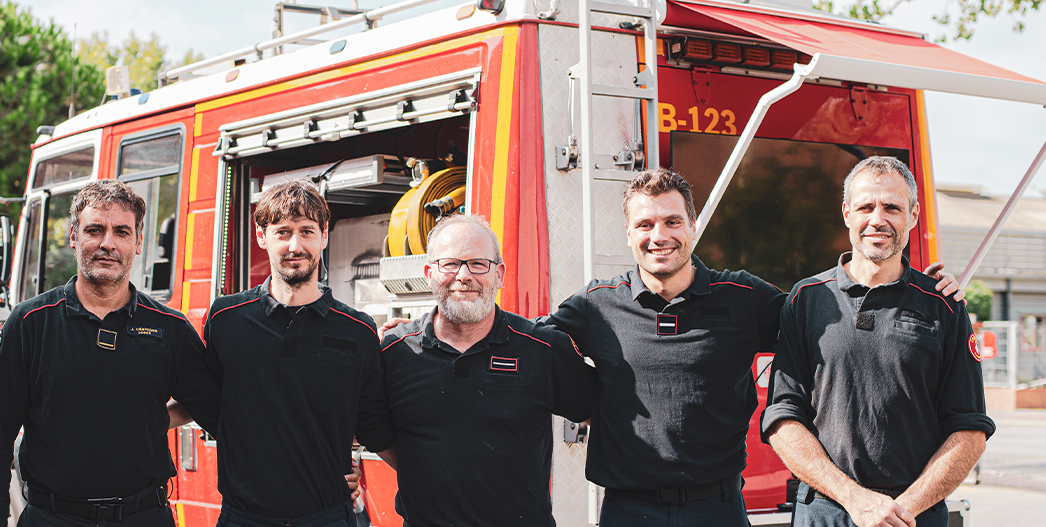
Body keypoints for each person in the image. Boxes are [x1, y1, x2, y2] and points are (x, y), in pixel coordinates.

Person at [539, 168, 964, 527]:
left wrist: (919, 292)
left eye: (672, 222)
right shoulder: (597, 305)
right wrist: (590, 401)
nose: (659, 236)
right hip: (627, 510)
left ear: (692, 227)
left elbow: (833, 321)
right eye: (645, 225)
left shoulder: (744, 297)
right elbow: (536, 347)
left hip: (718, 507)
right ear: (629, 233)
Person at [0, 179, 220, 527]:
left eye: (121, 232)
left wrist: (149, 417)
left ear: (138, 242)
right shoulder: (30, 324)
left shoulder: (170, 329)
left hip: (144, 518)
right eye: (95, 230)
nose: (108, 244)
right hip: (53, 518)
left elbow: (218, 411)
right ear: (74, 237)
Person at [762, 157, 993, 527]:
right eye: (865, 207)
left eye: (892, 208)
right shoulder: (806, 299)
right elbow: (782, 417)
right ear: (846, 213)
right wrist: (856, 499)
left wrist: (900, 510)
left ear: (913, 216)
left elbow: (969, 430)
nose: (877, 219)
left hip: (912, 515)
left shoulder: (944, 306)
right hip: (824, 511)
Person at [380, 215, 597, 527]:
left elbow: (603, 415)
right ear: (429, 274)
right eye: (450, 264)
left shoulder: (542, 349)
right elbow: (361, 423)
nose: (464, 276)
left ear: (500, 274)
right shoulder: (395, 352)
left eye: (478, 264)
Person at [202, 179, 395, 527]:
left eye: (306, 231)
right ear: (261, 236)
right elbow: (207, 403)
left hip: (328, 517)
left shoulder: (357, 331)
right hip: (245, 519)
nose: (295, 245)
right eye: (283, 232)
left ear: (324, 236)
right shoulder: (226, 319)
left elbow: (374, 426)